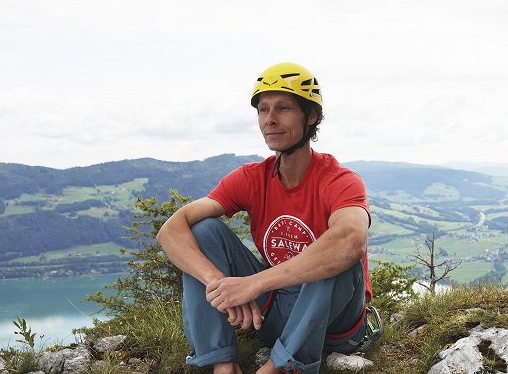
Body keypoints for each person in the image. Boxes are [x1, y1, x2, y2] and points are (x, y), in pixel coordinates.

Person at [156, 62, 375, 374]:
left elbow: (351, 241)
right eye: (263, 109)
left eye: (283, 108)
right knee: (203, 230)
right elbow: (171, 231)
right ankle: (221, 360)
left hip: (334, 323)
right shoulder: (252, 178)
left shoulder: (340, 180)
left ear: (311, 117)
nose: (270, 120)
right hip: (274, 313)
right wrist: (221, 285)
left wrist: (254, 283)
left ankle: (284, 366)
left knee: (336, 254)